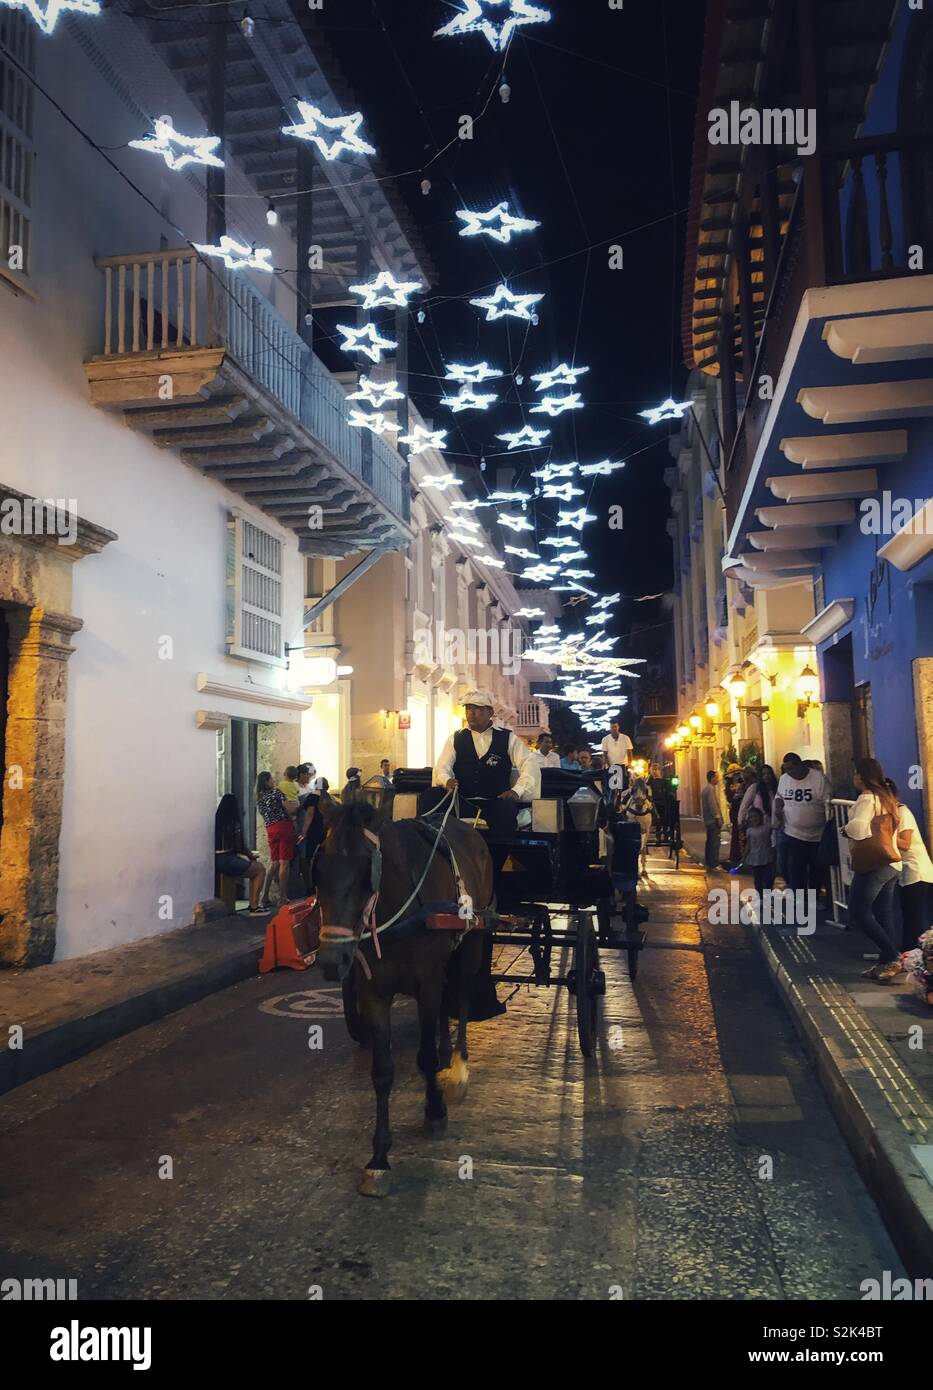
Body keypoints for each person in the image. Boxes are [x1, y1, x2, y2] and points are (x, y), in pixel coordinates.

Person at [433, 688, 539, 835]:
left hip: (495, 803)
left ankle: (498, 855)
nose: (472, 713)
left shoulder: (508, 738)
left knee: (506, 812)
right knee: (430, 797)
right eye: (469, 708)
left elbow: (529, 764)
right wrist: (447, 780)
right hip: (462, 802)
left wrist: (517, 790)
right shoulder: (455, 738)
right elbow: (442, 766)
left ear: (490, 713)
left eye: (478, 709)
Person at [844, 758, 903, 983]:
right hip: (891, 861)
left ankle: (892, 956)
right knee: (883, 912)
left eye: (856, 773)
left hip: (873, 863)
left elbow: (859, 828)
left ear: (861, 775)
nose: (854, 777)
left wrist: (845, 829)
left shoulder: (867, 798)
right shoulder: (886, 797)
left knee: (858, 910)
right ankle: (885, 962)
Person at [773, 752, 831, 897]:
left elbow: (828, 803)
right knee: (794, 869)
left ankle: (814, 896)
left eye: (792, 768)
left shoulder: (818, 779)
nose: (789, 773)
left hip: (816, 835)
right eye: (786, 769)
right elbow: (779, 796)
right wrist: (778, 807)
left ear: (800, 765)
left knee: (816, 869)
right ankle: (800, 898)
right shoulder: (785, 779)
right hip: (793, 833)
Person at [886, 779, 933, 953]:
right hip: (905, 873)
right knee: (909, 917)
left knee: (914, 919)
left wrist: (882, 837)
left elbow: (905, 843)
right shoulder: (890, 815)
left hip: (917, 872)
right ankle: (908, 955)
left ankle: (914, 956)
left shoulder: (903, 812)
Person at [214, 794, 267, 914]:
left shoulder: (215, 821)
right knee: (259, 869)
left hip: (216, 859)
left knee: (253, 868)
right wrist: (250, 855)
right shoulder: (233, 823)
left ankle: (252, 904)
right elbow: (239, 847)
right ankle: (254, 905)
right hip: (227, 860)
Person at [256, 771, 298, 908]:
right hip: (284, 827)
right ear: (266, 781)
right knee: (284, 863)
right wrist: (297, 806)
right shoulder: (276, 793)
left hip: (270, 829)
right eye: (271, 779)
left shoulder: (259, 797)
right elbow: (289, 810)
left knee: (274, 863)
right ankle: (283, 897)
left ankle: (264, 897)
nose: (273, 780)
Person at [619, 772, 654, 878]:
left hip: (645, 803)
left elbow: (649, 797)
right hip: (632, 804)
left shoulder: (647, 788)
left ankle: (643, 866)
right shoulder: (631, 789)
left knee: (652, 807)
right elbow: (628, 796)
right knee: (624, 807)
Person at [744, 806, 775, 893]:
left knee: (768, 878)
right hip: (755, 858)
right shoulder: (749, 831)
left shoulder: (767, 827)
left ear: (761, 817)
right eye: (752, 817)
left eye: (756, 816)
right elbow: (748, 845)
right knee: (758, 879)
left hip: (767, 857)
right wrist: (744, 857)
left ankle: (768, 893)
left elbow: (776, 826)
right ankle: (760, 895)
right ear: (749, 819)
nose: (754, 819)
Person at [700, 770, 723, 871]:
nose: (718, 779)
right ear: (712, 778)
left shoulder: (706, 789)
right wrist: (717, 817)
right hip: (712, 820)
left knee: (710, 841)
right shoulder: (709, 789)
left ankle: (709, 862)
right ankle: (714, 863)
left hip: (708, 820)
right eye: (717, 777)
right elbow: (712, 805)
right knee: (714, 841)